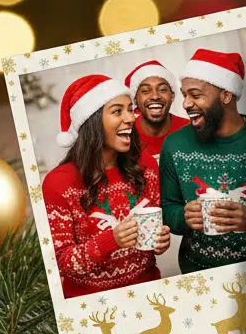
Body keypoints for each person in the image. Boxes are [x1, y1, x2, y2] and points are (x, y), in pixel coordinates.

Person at [42, 73, 171, 299]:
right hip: (93, 303)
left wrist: (160, 240)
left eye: (130, 109)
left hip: (149, 293)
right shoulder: (57, 183)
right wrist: (112, 240)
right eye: (117, 111)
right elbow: (61, 263)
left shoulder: (146, 165)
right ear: (92, 122)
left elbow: (152, 234)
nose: (130, 118)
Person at [160, 48, 246, 273]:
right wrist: (184, 217)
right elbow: (167, 209)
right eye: (184, 95)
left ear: (226, 96)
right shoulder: (174, 144)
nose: (186, 104)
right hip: (197, 273)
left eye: (195, 95)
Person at [124, 59, 189, 164]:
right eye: (146, 91)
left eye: (162, 90)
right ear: (135, 99)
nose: (155, 96)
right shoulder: (126, 134)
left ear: (172, 96)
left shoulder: (189, 129)